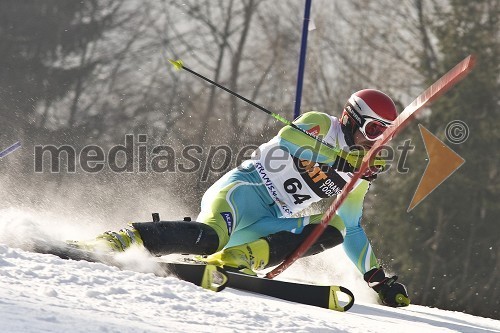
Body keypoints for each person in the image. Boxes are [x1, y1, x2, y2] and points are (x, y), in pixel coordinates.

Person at [72, 89, 410, 307]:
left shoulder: (358, 175)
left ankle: (241, 258)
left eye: (385, 136)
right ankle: (126, 237)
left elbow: (350, 228)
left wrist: (377, 279)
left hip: (270, 220)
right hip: (243, 191)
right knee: (209, 239)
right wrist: (339, 160)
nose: (375, 143)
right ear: (352, 120)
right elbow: (289, 138)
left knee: (333, 226)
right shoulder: (322, 124)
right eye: (373, 132)